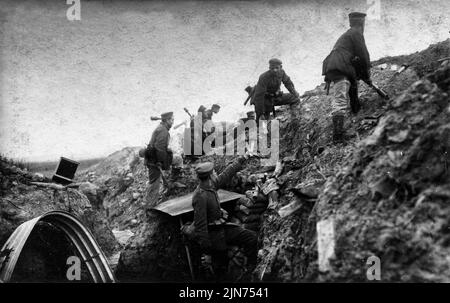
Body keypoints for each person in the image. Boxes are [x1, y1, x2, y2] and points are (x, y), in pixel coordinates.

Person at [191, 157, 257, 281]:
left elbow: (226, 175)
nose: (216, 173)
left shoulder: (210, 185)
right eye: (214, 172)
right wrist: (207, 252)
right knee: (221, 266)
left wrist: (241, 159)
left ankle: (250, 271)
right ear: (210, 176)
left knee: (251, 237)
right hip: (213, 236)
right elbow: (201, 228)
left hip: (222, 228)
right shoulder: (200, 196)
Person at [322, 12, 372, 143]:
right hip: (340, 67)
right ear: (362, 23)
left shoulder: (348, 35)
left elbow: (357, 58)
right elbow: (363, 55)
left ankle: (356, 109)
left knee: (351, 84)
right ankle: (337, 138)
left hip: (338, 66)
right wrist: (367, 76)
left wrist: (361, 74)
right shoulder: (356, 33)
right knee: (340, 100)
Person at [251, 58, 300, 123]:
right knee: (262, 122)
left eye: (277, 68)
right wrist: (260, 113)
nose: (274, 70)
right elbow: (259, 97)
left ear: (281, 67)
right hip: (265, 100)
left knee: (295, 98)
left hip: (276, 98)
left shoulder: (282, 72)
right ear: (269, 68)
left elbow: (288, 83)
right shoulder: (263, 77)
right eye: (272, 68)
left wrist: (294, 92)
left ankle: (295, 119)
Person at [144, 111, 174, 208]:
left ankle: (171, 182)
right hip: (154, 161)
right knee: (154, 184)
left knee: (177, 160)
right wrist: (161, 162)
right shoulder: (163, 131)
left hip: (153, 158)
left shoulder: (161, 128)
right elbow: (160, 149)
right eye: (172, 120)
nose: (173, 122)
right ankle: (150, 208)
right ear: (167, 120)